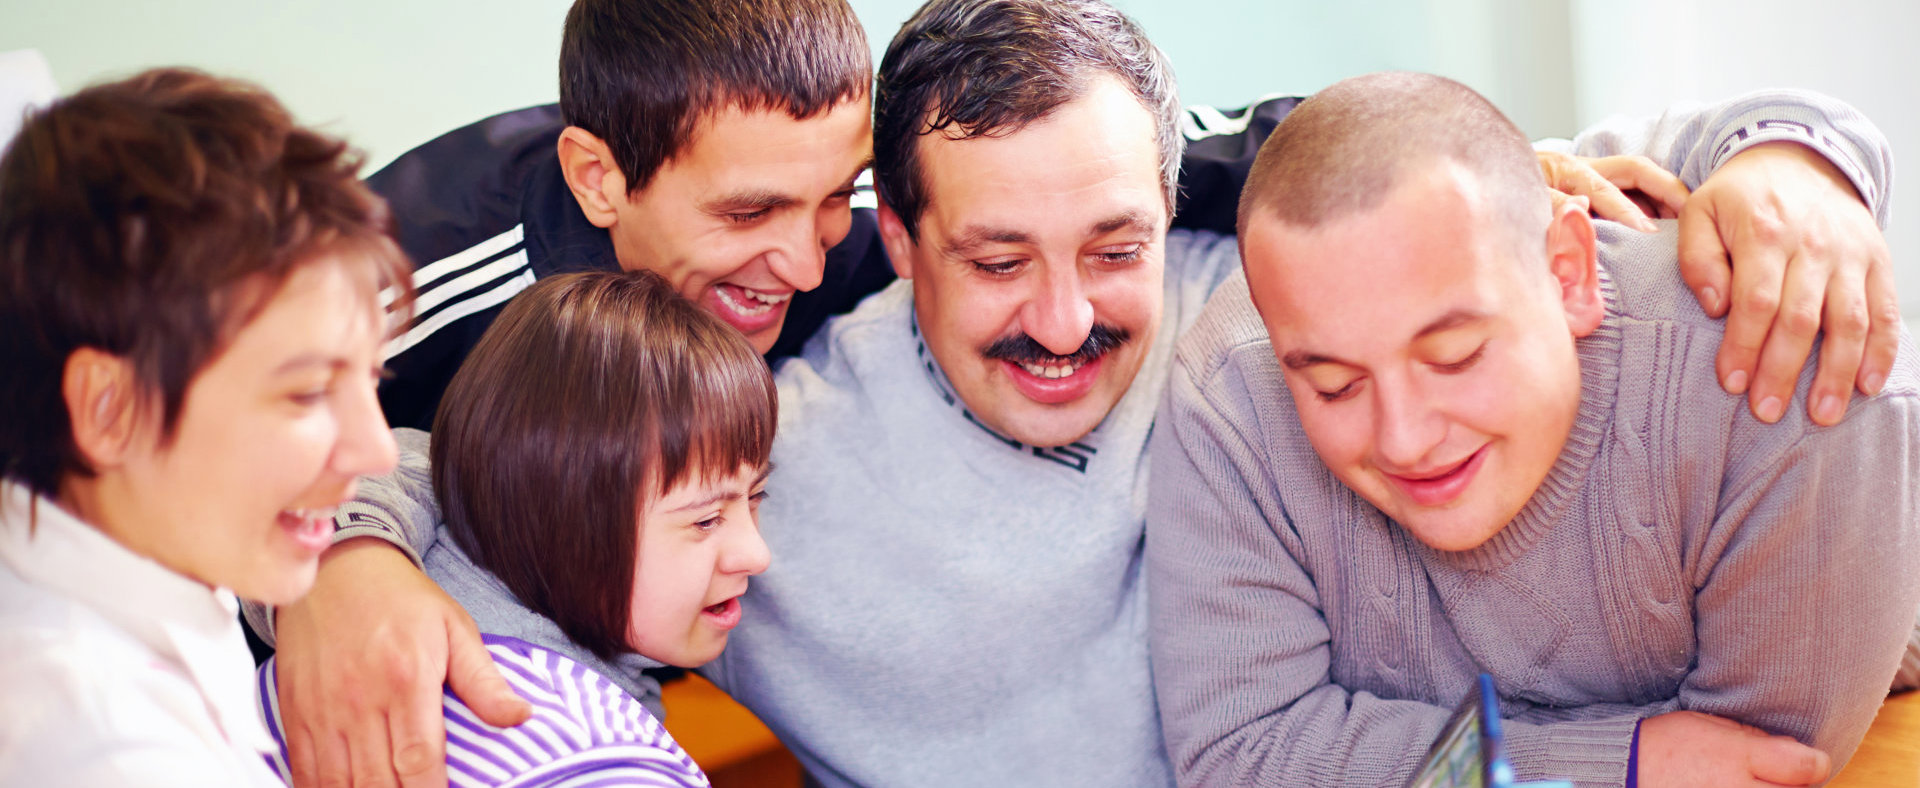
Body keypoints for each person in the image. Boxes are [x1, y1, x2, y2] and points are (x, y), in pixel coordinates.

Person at [322, 2, 1905, 787]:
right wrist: (354, 561)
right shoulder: (753, 455)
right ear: (897, 246)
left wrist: (1798, 171)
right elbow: (472, 511)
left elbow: (1584, 166)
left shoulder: (1274, 286)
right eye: (997, 261)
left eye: (1113, 247)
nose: (1067, 321)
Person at [1146, 71, 1920, 788]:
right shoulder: (1234, 385)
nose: (1405, 440)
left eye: (1454, 358)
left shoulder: (1790, 384)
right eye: (1335, 386)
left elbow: (1758, 764)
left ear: (1569, 275)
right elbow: (1242, 753)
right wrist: (1620, 762)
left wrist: (1794, 149)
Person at [0, 68, 404, 785]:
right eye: (308, 392)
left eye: (373, 379)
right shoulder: (106, 751)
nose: (377, 451)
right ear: (108, 408)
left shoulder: (162, 555)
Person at [258, 270, 773, 787]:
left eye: (754, 498)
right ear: (560, 519)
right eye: (705, 519)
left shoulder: (340, 649)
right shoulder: (592, 763)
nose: (756, 554)